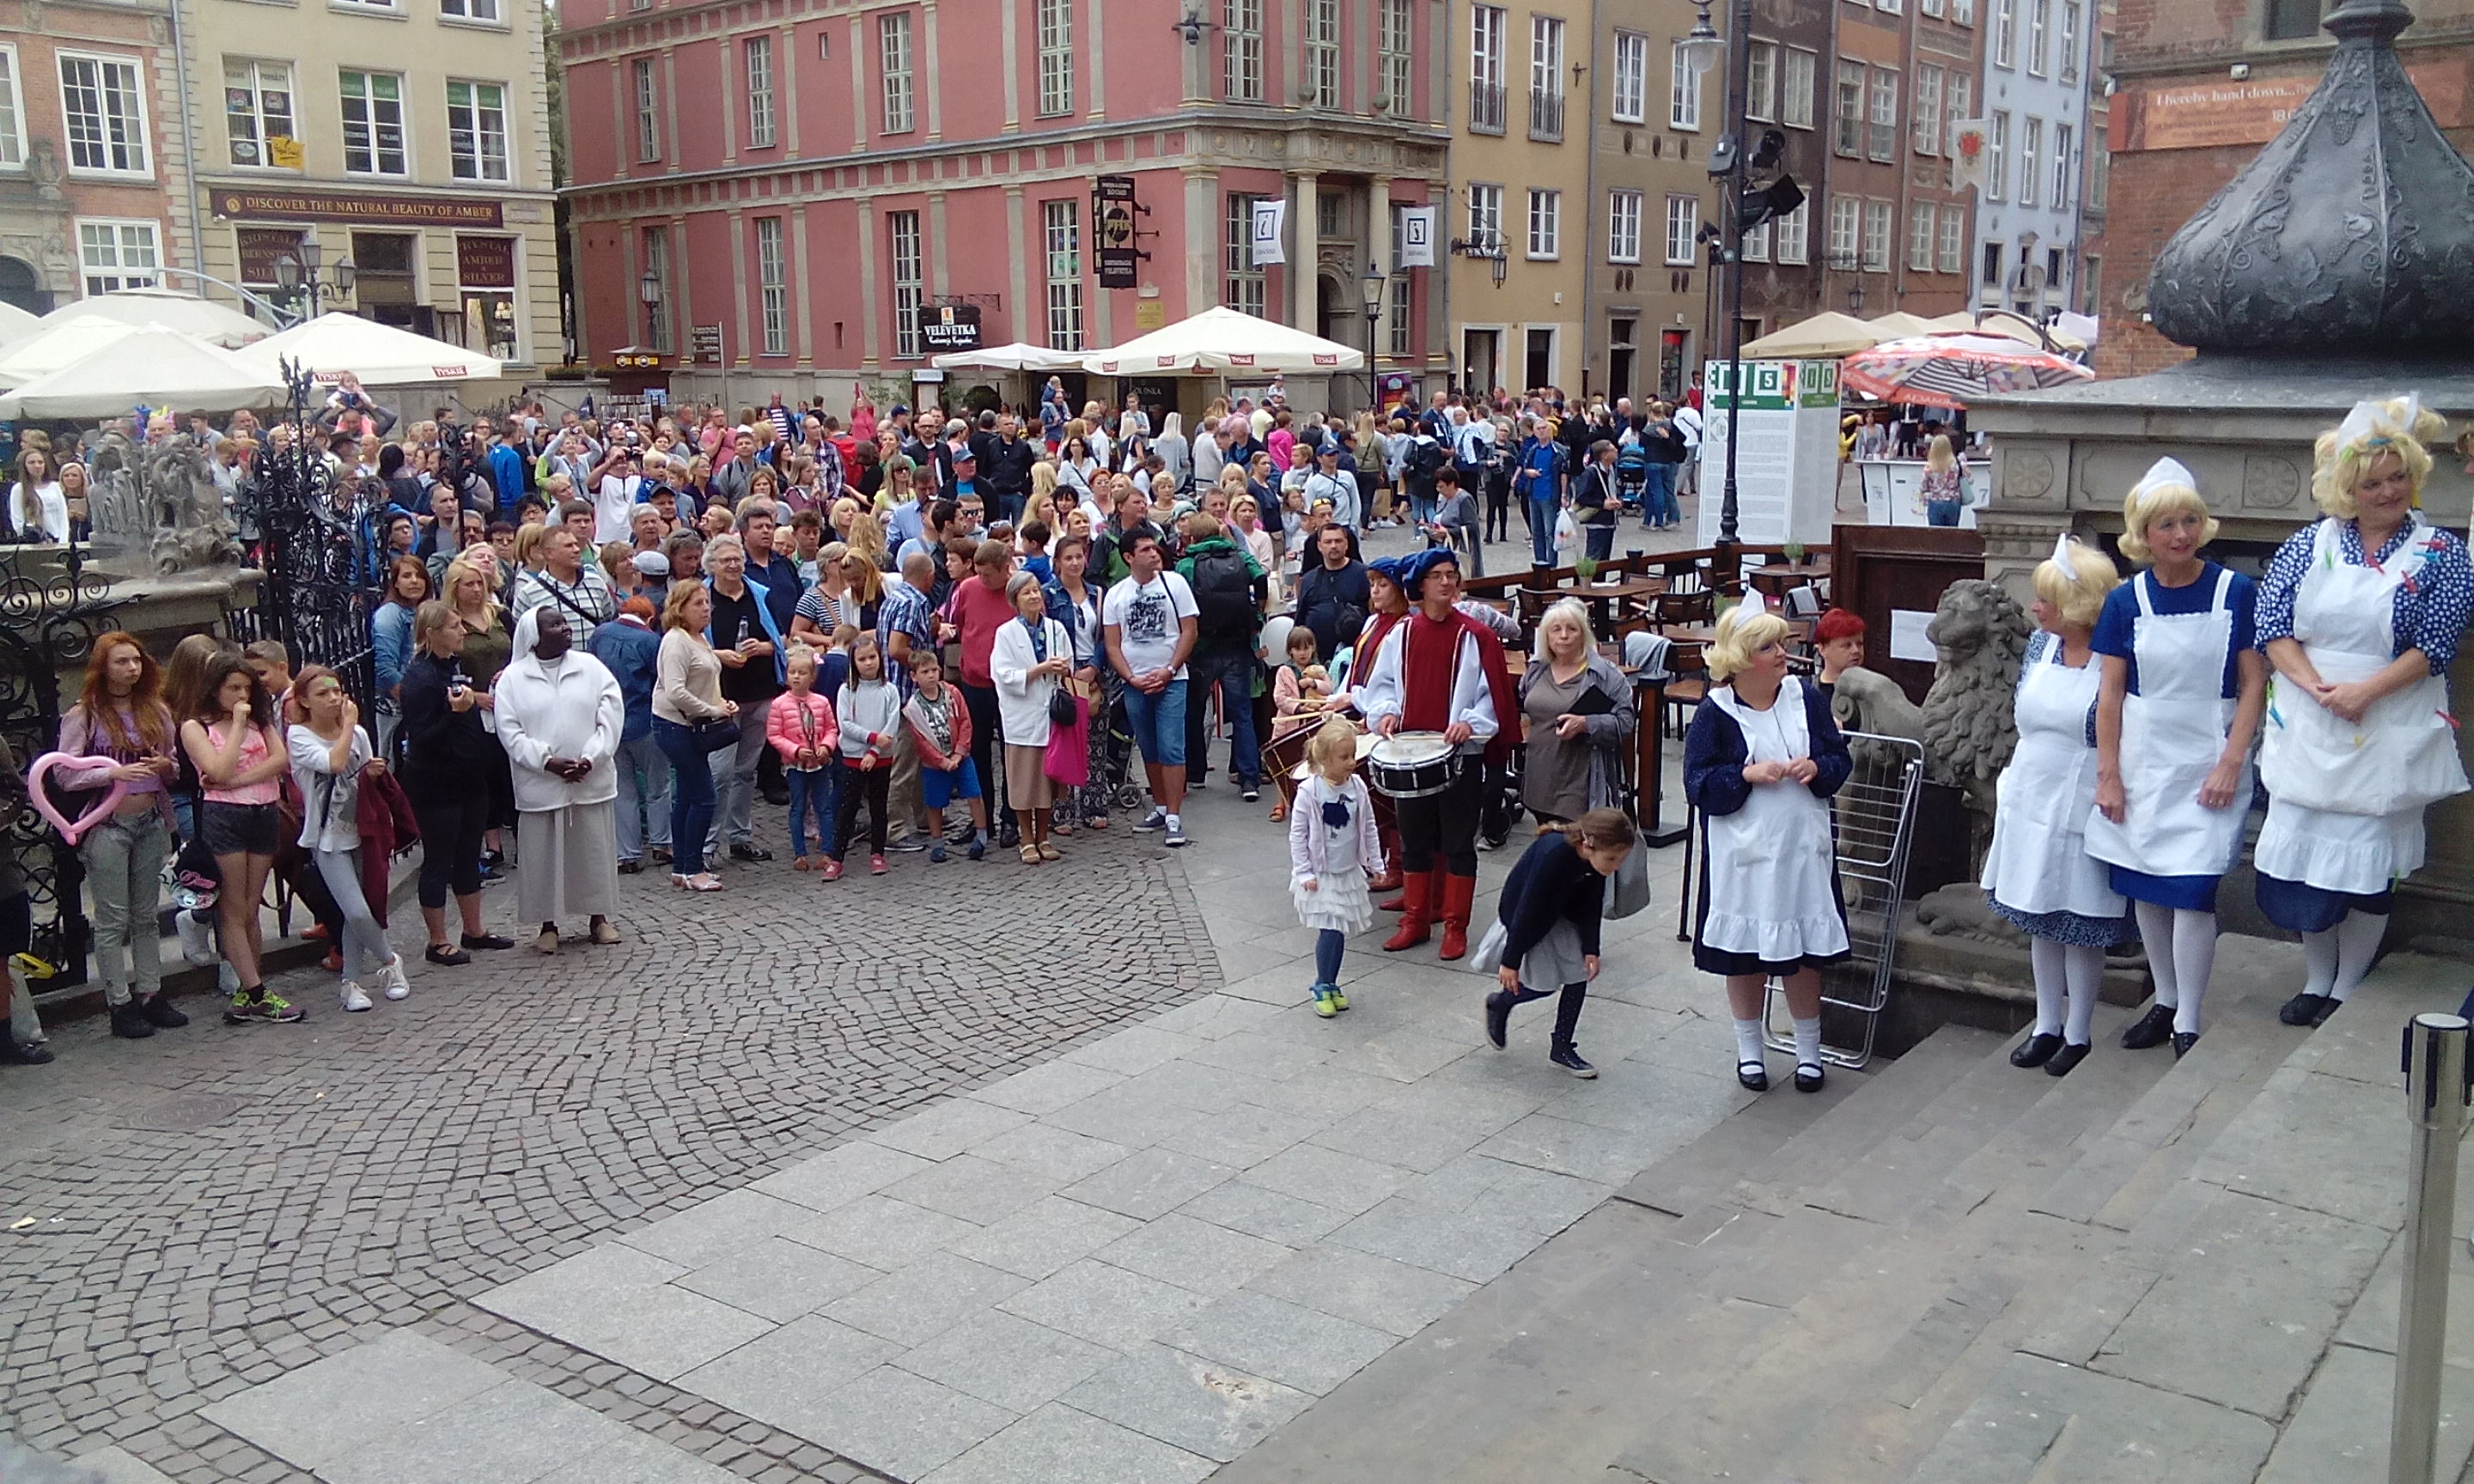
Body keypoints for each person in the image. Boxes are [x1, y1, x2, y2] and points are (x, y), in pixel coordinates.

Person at [2255, 396, 2472, 1026]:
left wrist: (2364, 693)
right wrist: (2317, 687)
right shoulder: (2308, 544)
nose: (2387, 492)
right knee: (2306, 862)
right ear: (2347, 488)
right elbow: (2272, 627)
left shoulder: (2441, 552)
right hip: (2311, 717)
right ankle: (2316, 977)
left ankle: (2347, 983)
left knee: (2369, 861)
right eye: (2372, 483)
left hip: (2388, 720)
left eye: (2397, 477)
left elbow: (2435, 645)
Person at [2086, 459, 2264, 1058]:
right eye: (2166, 524)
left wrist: (2233, 760)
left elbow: (2254, 682)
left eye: (2190, 520)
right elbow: (2110, 694)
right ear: (2144, 534)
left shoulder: (2235, 591)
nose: (2181, 534)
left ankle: (2188, 1016)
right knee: (2148, 887)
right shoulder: (2125, 601)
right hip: (2143, 762)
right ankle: (2164, 1000)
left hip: (2208, 760)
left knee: (2192, 888)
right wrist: (2109, 775)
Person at [1684, 597, 1854, 1093]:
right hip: (1744, 858)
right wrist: (1744, 775)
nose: (1783, 653)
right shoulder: (1714, 713)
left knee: (1804, 953)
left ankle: (1808, 1051)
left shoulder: (1806, 699)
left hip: (1802, 850)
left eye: (1781, 644)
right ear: (1740, 658)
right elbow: (1696, 782)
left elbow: (1838, 759)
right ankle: (1750, 1051)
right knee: (1745, 955)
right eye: (1768, 647)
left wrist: (1817, 766)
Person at [1984, 537, 2133, 1079]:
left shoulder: (2117, 657)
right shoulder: (2039, 649)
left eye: (2046, 599)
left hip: (2085, 794)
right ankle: (2046, 1022)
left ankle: (2078, 1031)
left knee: (2079, 919)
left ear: (2076, 604)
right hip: (2031, 792)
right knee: (2040, 915)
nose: (2035, 607)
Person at [1356, 548, 1519, 960]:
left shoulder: (1476, 636)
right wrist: (1386, 712)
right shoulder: (1402, 634)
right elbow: (1382, 686)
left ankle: (1454, 926)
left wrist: (1471, 723)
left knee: (1459, 842)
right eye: (1437, 576)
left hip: (1461, 755)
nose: (1447, 582)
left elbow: (1491, 694)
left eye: (1451, 574)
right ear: (1421, 585)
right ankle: (1415, 921)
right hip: (1411, 753)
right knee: (1414, 839)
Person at [57, 632, 186, 1038]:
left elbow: (174, 767)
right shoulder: (85, 715)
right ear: (103, 668)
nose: (131, 669)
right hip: (108, 824)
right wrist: (111, 773)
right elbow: (63, 773)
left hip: (150, 821)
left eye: (136, 661)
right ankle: (119, 1001)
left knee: (146, 915)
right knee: (112, 919)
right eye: (121, 662)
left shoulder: (156, 710)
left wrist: (164, 766)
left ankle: (151, 993)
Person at [179, 654, 302, 1023]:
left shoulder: (260, 722)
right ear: (214, 689)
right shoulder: (196, 728)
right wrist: (235, 726)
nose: (242, 695)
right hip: (225, 816)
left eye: (246, 688)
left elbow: (279, 760)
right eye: (233, 688)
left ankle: (249, 990)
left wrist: (237, 781)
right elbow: (218, 768)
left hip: (262, 811)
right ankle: (257, 991)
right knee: (233, 907)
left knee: (251, 907)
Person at [495, 609, 625, 954]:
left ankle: (599, 918)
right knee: (543, 857)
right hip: (541, 784)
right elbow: (510, 731)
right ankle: (547, 924)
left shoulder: (591, 668)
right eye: (555, 624)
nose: (565, 628)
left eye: (565, 622)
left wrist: (591, 757)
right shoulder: (513, 679)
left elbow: (611, 715)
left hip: (589, 778)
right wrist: (546, 761)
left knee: (593, 850)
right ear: (534, 636)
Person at [285, 666, 413, 1012]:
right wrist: (348, 728)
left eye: (336, 691)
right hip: (326, 837)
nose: (333, 698)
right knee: (354, 912)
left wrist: (374, 772)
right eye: (322, 693)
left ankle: (351, 983)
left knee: (363, 908)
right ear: (304, 701)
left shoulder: (357, 733)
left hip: (363, 830)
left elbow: (366, 780)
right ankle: (390, 961)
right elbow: (335, 763)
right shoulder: (299, 736)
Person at [1482, 808, 1639, 1077]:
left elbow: (1592, 905)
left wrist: (1591, 948)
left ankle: (1562, 1046)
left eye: (1620, 860)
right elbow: (1528, 908)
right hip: (1530, 919)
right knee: (1542, 985)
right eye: (1612, 859)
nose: (1616, 867)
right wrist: (1511, 960)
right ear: (1588, 845)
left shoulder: (1594, 862)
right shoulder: (1554, 856)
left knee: (1578, 975)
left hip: (1562, 912)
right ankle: (1500, 1003)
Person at [400, 601, 516, 958]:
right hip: (437, 783)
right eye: (454, 627)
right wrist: (455, 713)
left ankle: (473, 929)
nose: (462, 631)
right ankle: (437, 940)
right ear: (431, 634)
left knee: (468, 854)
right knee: (439, 859)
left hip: (469, 776)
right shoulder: (419, 678)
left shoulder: (453, 666)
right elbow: (422, 738)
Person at [1102, 532, 1200, 848]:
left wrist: (1170, 669)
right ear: (1129, 557)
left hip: (1172, 679)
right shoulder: (1116, 595)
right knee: (1149, 747)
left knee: (1172, 746)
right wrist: (1130, 677)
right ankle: (1160, 806)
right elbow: (1113, 644)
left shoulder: (1175, 584)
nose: (1154, 553)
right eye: (1145, 549)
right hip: (1136, 683)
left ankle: (1174, 815)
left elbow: (1189, 631)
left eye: (1154, 547)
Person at [1289, 714, 1380, 1019]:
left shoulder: (1357, 787)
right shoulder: (1310, 791)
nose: (1352, 762)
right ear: (1325, 759)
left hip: (1347, 871)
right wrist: (1304, 871)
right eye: (1344, 757)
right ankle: (1322, 984)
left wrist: (1375, 862)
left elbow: (1368, 826)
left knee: (1339, 931)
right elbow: (1298, 835)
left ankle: (1330, 982)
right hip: (1321, 874)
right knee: (1330, 930)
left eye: (1353, 755)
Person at [701, 533, 783, 864]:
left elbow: (781, 640)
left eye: (737, 559)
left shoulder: (760, 594)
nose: (733, 565)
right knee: (719, 773)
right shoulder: (701, 597)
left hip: (760, 692)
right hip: (720, 697)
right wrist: (718, 655)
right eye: (726, 561)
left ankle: (740, 836)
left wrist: (765, 647)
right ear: (712, 565)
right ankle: (706, 845)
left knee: (746, 771)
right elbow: (685, 644)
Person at [1175, 514, 1269, 801]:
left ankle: (1194, 772)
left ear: (1192, 537)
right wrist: (1258, 612)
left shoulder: (1187, 564)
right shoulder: (1241, 557)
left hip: (1201, 647)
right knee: (1242, 714)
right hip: (1237, 645)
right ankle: (1249, 778)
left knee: (1193, 712)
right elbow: (1261, 578)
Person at [1519, 599, 1636, 824]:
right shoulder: (1537, 669)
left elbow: (1626, 722)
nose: (1563, 636)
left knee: (1574, 841)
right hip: (1539, 778)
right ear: (1546, 636)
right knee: (1547, 841)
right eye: (1556, 629)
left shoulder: (1605, 675)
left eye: (1571, 629)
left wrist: (1586, 724)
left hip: (1578, 782)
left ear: (1583, 634)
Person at [653, 580, 735, 892]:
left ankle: (682, 868)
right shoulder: (676, 641)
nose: (706, 609)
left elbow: (704, 680)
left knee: (688, 796)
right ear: (680, 608)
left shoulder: (698, 637)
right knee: (704, 796)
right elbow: (675, 691)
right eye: (698, 603)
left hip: (691, 724)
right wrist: (712, 710)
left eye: (707, 602)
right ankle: (693, 868)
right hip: (674, 725)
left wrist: (721, 703)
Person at [991, 570, 1072, 864]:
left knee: (1048, 780)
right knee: (1024, 782)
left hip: (1050, 715)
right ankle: (1026, 837)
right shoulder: (1006, 633)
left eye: (1036, 590)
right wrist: (1039, 669)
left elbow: (1069, 663)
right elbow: (1002, 675)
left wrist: (1062, 668)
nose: (1034, 596)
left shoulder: (1055, 629)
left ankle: (1044, 836)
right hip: (1021, 716)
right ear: (1015, 600)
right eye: (1027, 592)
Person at [589, 595, 671, 874]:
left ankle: (627, 854)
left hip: (610, 724)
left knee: (622, 789)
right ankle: (662, 843)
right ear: (650, 618)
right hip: (644, 722)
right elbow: (660, 680)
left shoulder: (601, 634)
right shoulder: (650, 641)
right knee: (658, 785)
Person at [904, 648, 990, 863]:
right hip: (935, 764)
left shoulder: (952, 694)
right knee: (935, 803)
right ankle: (937, 842)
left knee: (974, 794)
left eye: (934, 670)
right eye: (925, 672)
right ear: (914, 676)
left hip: (961, 757)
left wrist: (959, 753)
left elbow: (965, 722)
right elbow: (921, 741)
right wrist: (940, 761)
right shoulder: (913, 708)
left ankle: (982, 835)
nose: (931, 675)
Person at [826, 636, 900, 879]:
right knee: (847, 808)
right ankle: (836, 858)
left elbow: (891, 724)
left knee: (879, 807)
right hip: (853, 757)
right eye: (862, 659)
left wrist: (874, 751)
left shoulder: (890, 691)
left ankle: (878, 853)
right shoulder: (847, 691)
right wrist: (871, 739)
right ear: (854, 662)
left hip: (881, 757)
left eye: (872, 657)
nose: (868, 663)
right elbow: (845, 724)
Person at [769, 646, 840, 870]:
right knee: (798, 807)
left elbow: (831, 728)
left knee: (823, 807)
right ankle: (799, 852)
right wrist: (794, 750)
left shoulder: (821, 702)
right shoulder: (779, 704)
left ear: (812, 677)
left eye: (802, 673)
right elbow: (774, 735)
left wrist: (826, 746)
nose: (797, 677)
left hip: (819, 764)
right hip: (795, 765)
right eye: (793, 672)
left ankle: (828, 850)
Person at [1294, 524, 1370, 663]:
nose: (1334, 546)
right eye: (1328, 542)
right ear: (1319, 546)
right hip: (1317, 659)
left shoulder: (1364, 575)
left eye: (1338, 541)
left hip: (1356, 656)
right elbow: (1300, 621)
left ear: (1346, 544)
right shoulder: (1309, 580)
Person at [1514, 417, 1569, 568]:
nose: (1542, 431)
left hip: (1550, 495)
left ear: (1550, 430)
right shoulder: (1533, 450)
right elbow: (1525, 467)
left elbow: (1564, 473)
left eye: (1544, 428)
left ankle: (1551, 564)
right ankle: (1540, 563)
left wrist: (1564, 495)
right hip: (1534, 495)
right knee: (1537, 531)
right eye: (1538, 429)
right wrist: (1529, 472)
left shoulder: (1558, 450)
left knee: (1550, 532)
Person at [1574, 441, 1623, 563]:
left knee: (1604, 560)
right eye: (1613, 450)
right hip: (1597, 522)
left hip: (1610, 521)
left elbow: (1614, 490)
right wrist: (1602, 504)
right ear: (1604, 455)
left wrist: (1618, 500)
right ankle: (1587, 576)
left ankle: (1601, 577)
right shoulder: (1591, 472)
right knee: (1593, 558)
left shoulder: (1611, 469)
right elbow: (1581, 496)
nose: (1616, 451)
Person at [1813, 607, 1867, 698]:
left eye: (1860, 644)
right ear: (1823, 649)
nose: (1856, 650)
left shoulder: (1873, 690)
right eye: (1847, 645)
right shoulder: (1806, 692)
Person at [1919, 435, 1966, 526]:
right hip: (1953, 501)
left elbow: (1922, 487)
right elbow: (1970, 480)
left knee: (1936, 533)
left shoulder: (1930, 467)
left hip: (1936, 501)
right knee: (1952, 532)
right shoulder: (1957, 465)